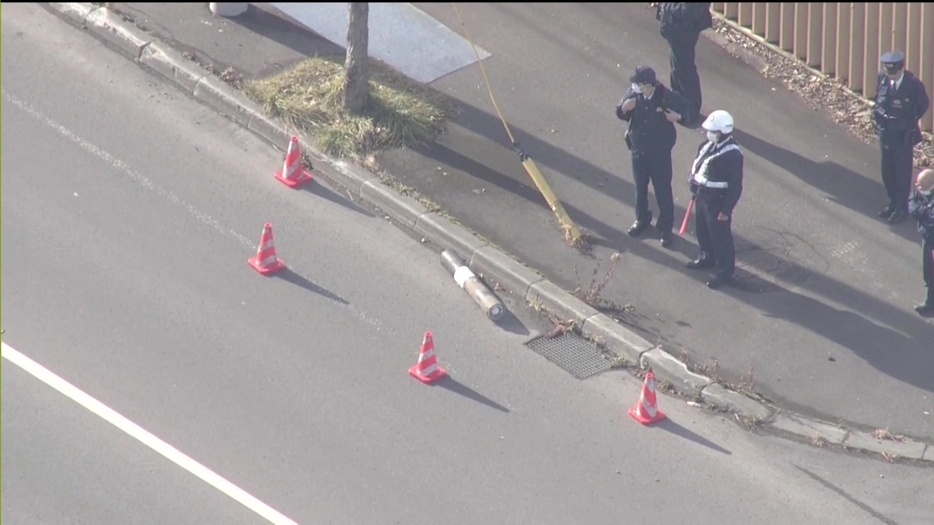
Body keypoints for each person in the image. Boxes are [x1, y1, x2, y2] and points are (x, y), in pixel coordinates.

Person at [616, 65, 697, 248]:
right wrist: (624, 109)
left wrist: (677, 117)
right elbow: (619, 111)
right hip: (638, 150)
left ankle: (666, 227)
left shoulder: (665, 96)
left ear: (649, 84)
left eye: (639, 84)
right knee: (640, 188)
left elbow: (689, 110)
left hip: (659, 153)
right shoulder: (632, 95)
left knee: (663, 191)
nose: (635, 87)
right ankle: (642, 219)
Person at [686, 110, 743, 289]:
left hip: (717, 201)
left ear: (724, 132)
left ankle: (725, 272)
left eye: (713, 132)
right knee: (702, 230)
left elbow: (735, 186)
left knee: (720, 237)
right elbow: (699, 167)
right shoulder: (707, 145)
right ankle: (706, 257)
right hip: (702, 196)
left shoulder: (733, 155)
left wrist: (726, 210)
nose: (709, 134)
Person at [872, 50, 930, 224]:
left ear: (901, 68)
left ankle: (901, 207)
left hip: (902, 135)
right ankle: (892, 203)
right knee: (887, 171)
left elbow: (923, 104)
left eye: (894, 72)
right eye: (889, 71)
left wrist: (909, 121)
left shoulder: (913, 85)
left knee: (902, 173)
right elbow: (878, 100)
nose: (892, 75)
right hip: (886, 132)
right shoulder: (882, 78)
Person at [655, 2, 713, 115]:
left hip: (684, 26)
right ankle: (679, 99)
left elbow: (690, 10)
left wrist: (668, 6)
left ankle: (691, 106)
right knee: (677, 64)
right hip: (676, 24)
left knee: (684, 66)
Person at [908, 168, 934, 316]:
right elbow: (912, 206)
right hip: (928, 238)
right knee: (929, 272)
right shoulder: (921, 190)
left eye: (922, 187)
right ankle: (931, 299)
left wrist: (923, 213)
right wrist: (925, 213)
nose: (918, 189)